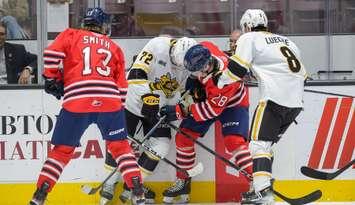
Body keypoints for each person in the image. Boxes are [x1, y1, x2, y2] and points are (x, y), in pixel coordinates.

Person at [29, 7, 145, 205]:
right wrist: (118, 109)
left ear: (85, 23)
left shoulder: (71, 34)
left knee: (62, 150)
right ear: (103, 26)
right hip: (110, 101)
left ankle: (40, 194)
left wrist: (51, 78)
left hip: (78, 100)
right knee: (121, 148)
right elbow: (122, 85)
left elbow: (50, 55)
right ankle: (137, 190)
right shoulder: (113, 46)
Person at [218, 9, 307, 204]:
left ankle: (262, 191)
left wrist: (219, 81)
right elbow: (303, 75)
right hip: (295, 103)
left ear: (247, 25)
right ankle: (262, 186)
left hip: (273, 99)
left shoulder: (249, 38)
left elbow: (237, 70)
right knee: (266, 146)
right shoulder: (287, 41)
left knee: (258, 145)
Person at [100, 36, 197, 204]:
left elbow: (182, 91)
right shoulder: (158, 45)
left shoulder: (191, 61)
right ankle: (109, 183)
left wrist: (175, 108)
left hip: (159, 108)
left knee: (162, 145)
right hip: (133, 101)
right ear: (174, 51)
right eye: (176, 62)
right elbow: (136, 73)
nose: (177, 67)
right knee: (120, 142)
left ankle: (134, 184)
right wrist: (148, 97)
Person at [159, 42, 253, 204]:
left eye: (198, 71)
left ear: (207, 66)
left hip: (233, 104)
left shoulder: (224, 80)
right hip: (211, 98)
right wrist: (192, 84)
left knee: (234, 142)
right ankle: (183, 181)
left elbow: (210, 111)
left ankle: (258, 184)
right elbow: (195, 77)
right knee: (183, 137)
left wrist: (178, 111)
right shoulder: (205, 48)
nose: (197, 74)